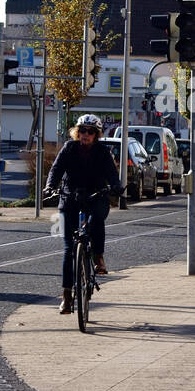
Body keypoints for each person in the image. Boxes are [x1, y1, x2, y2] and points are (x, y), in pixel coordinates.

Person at [44, 113, 120, 315]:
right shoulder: (69, 148)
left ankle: (98, 258)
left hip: (96, 196)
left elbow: (112, 173)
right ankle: (67, 297)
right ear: (77, 132)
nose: (86, 134)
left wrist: (116, 185)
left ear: (96, 135)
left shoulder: (103, 152)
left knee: (96, 220)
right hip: (70, 197)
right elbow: (56, 169)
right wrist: (50, 186)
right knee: (69, 249)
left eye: (91, 131)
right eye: (82, 130)